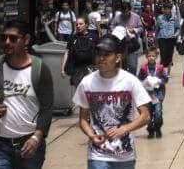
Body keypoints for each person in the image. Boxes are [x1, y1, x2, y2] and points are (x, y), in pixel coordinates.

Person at [0, 20, 54, 169]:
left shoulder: (39, 69)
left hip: (30, 144)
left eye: (13, 38)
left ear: (26, 40)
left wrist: (37, 137)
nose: (7, 42)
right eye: (4, 38)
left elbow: (47, 108)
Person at [72, 35, 151, 169]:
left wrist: (124, 129)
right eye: (98, 54)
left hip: (124, 155)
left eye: (107, 54)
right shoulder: (87, 83)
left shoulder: (130, 81)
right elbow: (83, 119)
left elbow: (145, 116)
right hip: (97, 156)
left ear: (117, 58)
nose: (101, 58)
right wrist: (92, 136)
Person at [137, 47, 169, 139]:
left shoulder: (160, 68)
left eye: (153, 56)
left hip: (158, 93)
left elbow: (165, 78)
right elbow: (139, 79)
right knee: (149, 113)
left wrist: (158, 81)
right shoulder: (143, 68)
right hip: (147, 94)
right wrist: (143, 82)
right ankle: (150, 130)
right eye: (149, 56)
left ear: (156, 57)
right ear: (146, 56)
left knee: (158, 112)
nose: (151, 57)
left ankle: (158, 127)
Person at [61, 18, 97, 87]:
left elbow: (98, 53)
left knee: (89, 91)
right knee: (79, 91)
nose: (78, 26)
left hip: (91, 69)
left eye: (80, 24)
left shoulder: (93, 37)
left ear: (86, 25)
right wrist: (62, 69)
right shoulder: (73, 37)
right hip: (76, 70)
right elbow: (67, 52)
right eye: (76, 24)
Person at [110, 2, 143, 75]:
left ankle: (132, 82)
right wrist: (116, 30)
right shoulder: (117, 16)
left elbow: (141, 28)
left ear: (129, 10)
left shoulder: (136, 17)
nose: (125, 14)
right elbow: (111, 26)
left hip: (132, 44)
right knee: (122, 66)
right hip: (121, 44)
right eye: (123, 12)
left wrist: (133, 30)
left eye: (126, 12)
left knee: (132, 66)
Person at [155, 3, 181, 76]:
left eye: (168, 9)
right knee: (163, 56)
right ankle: (162, 72)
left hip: (171, 39)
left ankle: (168, 72)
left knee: (169, 56)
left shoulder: (174, 18)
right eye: (165, 9)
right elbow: (157, 29)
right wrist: (156, 42)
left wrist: (175, 35)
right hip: (162, 39)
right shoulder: (160, 18)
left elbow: (178, 28)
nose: (166, 10)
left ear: (170, 10)